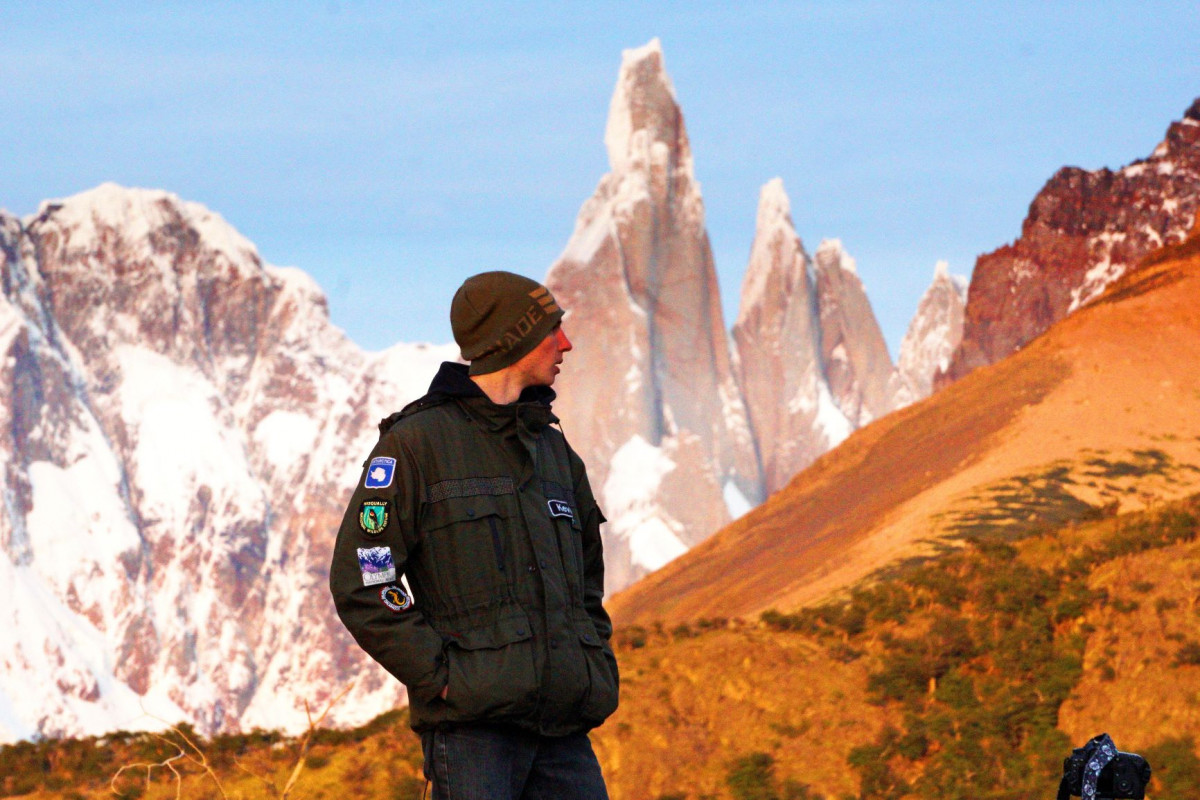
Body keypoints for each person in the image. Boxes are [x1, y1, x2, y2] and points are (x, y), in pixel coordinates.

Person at [329, 271, 618, 800]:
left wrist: (591, 654)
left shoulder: (554, 451)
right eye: (553, 329)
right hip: (472, 735)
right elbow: (366, 576)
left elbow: (588, 580)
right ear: (515, 338)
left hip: (563, 735)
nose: (566, 343)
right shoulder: (415, 445)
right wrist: (442, 676)